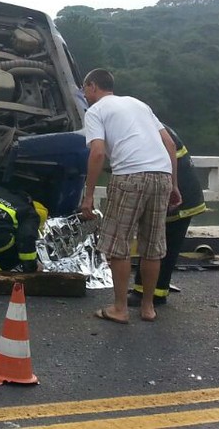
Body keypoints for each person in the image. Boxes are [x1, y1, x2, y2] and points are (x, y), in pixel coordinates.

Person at [78, 69, 181, 324]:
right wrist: (174, 185)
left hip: (129, 177)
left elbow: (98, 153)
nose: (84, 94)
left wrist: (88, 196)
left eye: (84, 88)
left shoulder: (96, 111)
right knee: (152, 246)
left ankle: (120, 308)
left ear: (92, 86)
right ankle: (148, 308)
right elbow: (170, 144)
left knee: (118, 244)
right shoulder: (140, 104)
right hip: (161, 176)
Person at [129, 126, 208, 306]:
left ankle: (153, 294)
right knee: (156, 244)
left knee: (160, 246)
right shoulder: (155, 127)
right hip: (180, 194)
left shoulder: (150, 131)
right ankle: (146, 289)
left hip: (179, 198)